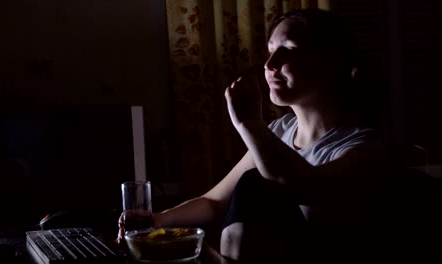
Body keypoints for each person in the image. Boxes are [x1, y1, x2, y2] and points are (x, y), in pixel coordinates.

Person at [117, 8, 389, 263]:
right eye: (270, 51)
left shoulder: (364, 148)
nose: (270, 64)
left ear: (331, 65)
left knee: (255, 184)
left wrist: (249, 123)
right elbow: (214, 203)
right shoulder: (279, 131)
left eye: (289, 51)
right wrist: (157, 220)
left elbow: (304, 185)